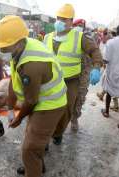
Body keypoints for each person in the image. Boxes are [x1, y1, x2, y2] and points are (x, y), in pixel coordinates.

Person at [0, 15, 68, 177]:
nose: (1, 51)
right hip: (40, 100)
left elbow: (32, 100)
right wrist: (10, 108)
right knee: (32, 138)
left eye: (4, 47)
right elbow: (13, 80)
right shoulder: (20, 51)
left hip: (51, 105)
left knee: (29, 149)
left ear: (18, 43)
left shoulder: (32, 64)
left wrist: (18, 118)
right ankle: (37, 166)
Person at [43, 4, 102, 141]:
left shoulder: (79, 37)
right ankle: (45, 136)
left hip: (70, 81)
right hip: (50, 81)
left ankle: (58, 133)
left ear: (71, 21)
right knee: (47, 109)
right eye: (58, 18)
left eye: (64, 19)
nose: (60, 22)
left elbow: (94, 51)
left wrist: (97, 67)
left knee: (67, 109)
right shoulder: (47, 37)